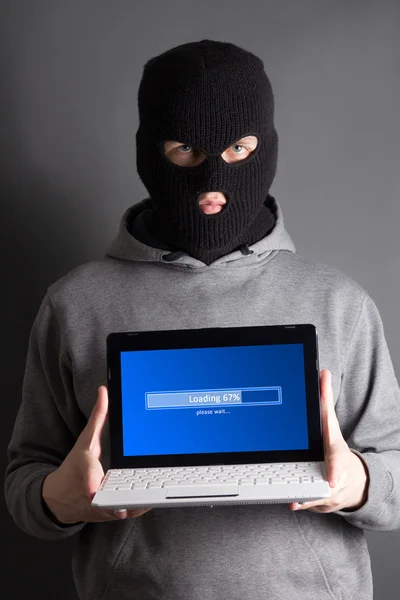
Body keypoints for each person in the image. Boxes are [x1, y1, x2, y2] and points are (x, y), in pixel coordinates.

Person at [5, 39, 400, 600]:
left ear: (266, 148)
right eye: (185, 148)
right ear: (149, 151)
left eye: (239, 147)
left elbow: (397, 472)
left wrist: (360, 482)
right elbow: (26, 476)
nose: (213, 177)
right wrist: (53, 498)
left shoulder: (339, 301)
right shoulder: (76, 302)